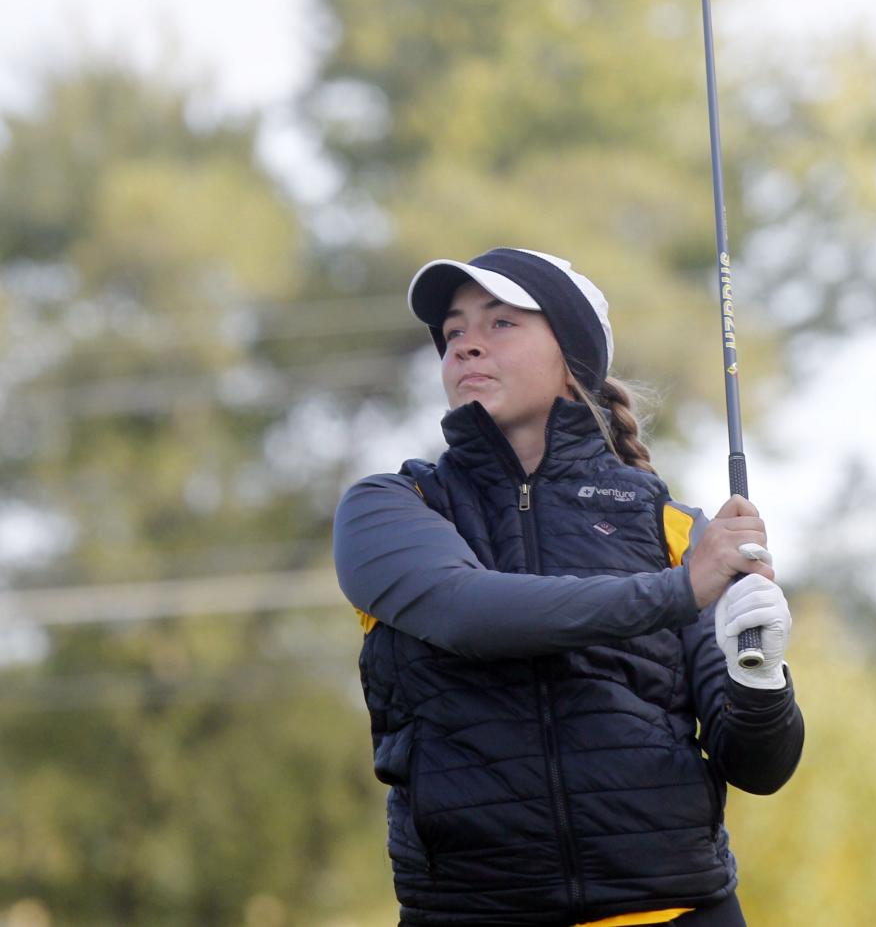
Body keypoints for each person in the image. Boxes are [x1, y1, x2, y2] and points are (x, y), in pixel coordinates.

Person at [334, 247, 803, 927]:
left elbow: (760, 766)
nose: (465, 343)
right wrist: (678, 591)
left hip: (676, 912)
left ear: (572, 364)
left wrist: (760, 679)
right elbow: (471, 614)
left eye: (500, 323)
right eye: (454, 330)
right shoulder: (392, 506)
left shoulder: (674, 530)